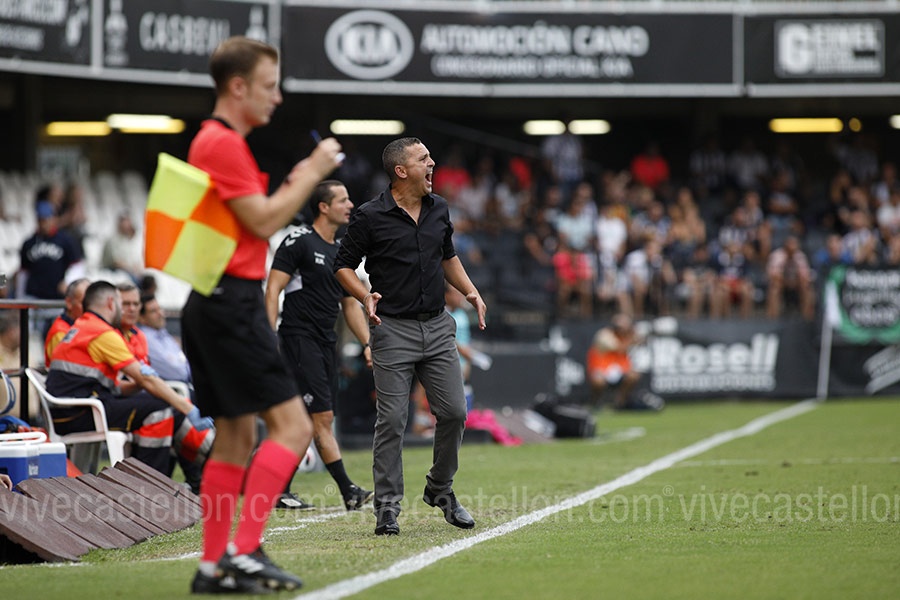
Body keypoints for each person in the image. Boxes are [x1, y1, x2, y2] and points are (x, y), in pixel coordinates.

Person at [178, 36, 342, 594]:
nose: (277, 97)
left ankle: (211, 568)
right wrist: (311, 171)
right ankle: (245, 551)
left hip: (217, 300)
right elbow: (265, 221)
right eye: (269, 86)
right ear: (238, 86)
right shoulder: (221, 143)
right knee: (293, 427)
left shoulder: (217, 140)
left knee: (234, 438)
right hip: (230, 302)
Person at [334, 137, 487, 537]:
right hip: (392, 329)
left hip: (437, 326)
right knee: (392, 420)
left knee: (454, 412)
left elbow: (448, 256)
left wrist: (470, 291)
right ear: (401, 171)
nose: (432, 163)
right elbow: (342, 266)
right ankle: (387, 507)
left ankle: (440, 488)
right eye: (424, 159)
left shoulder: (439, 208)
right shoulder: (369, 215)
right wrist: (364, 295)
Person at [265, 179, 374, 512]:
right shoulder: (298, 241)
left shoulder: (341, 252)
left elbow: (349, 305)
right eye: (342, 200)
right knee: (321, 419)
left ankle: (279, 489)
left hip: (327, 344)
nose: (350, 205)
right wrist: (268, 339)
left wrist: (367, 343)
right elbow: (273, 290)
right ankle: (348, 490)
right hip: (299, 340)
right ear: (323, 207)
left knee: (312, 422)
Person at [46, 281, 205, 475]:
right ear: (111, 303)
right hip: (78, 413)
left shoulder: (84, 326)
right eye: (122, 304)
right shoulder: (102, 333)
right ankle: (150, 482)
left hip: (74, 409)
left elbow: (107, 384)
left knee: (166, 406)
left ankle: (205, 464)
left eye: (135, 304)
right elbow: (146, 378)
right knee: (161, 410)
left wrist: (141, 384)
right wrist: (188, 408)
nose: (126, 310)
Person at [115, 283, 212, 494]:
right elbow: (162, 373)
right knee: (166, 410)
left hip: (137, 396)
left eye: (135, 304)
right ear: (112, 305)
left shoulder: (138, 336)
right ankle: (152, 486)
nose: (131, 309)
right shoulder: (111, 334)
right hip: (106, 402)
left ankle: (208, 468)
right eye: (126, 304)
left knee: (171, 407)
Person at [18, 194, 83, 303]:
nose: (43, 223)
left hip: (57, 297)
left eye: (46, 219)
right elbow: (23, 273)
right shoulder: (29, 243)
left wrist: (68, 282)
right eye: (41, 220)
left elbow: (77, 265)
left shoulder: (66, 240)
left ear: (54, 219)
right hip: (33, 297)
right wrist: (20, 296)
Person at [137, 293, 191, 384]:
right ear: (142, 318)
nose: (160, 314)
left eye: (159, 309)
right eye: (153, 311)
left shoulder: (162, 333)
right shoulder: (146, 339)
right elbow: (177, 372)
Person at [44, 278, 90, 366]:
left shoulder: (90, 326)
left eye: (91, 303)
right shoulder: (61, 333)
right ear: (69, 302)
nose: (89, 308)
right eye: (83, 303)